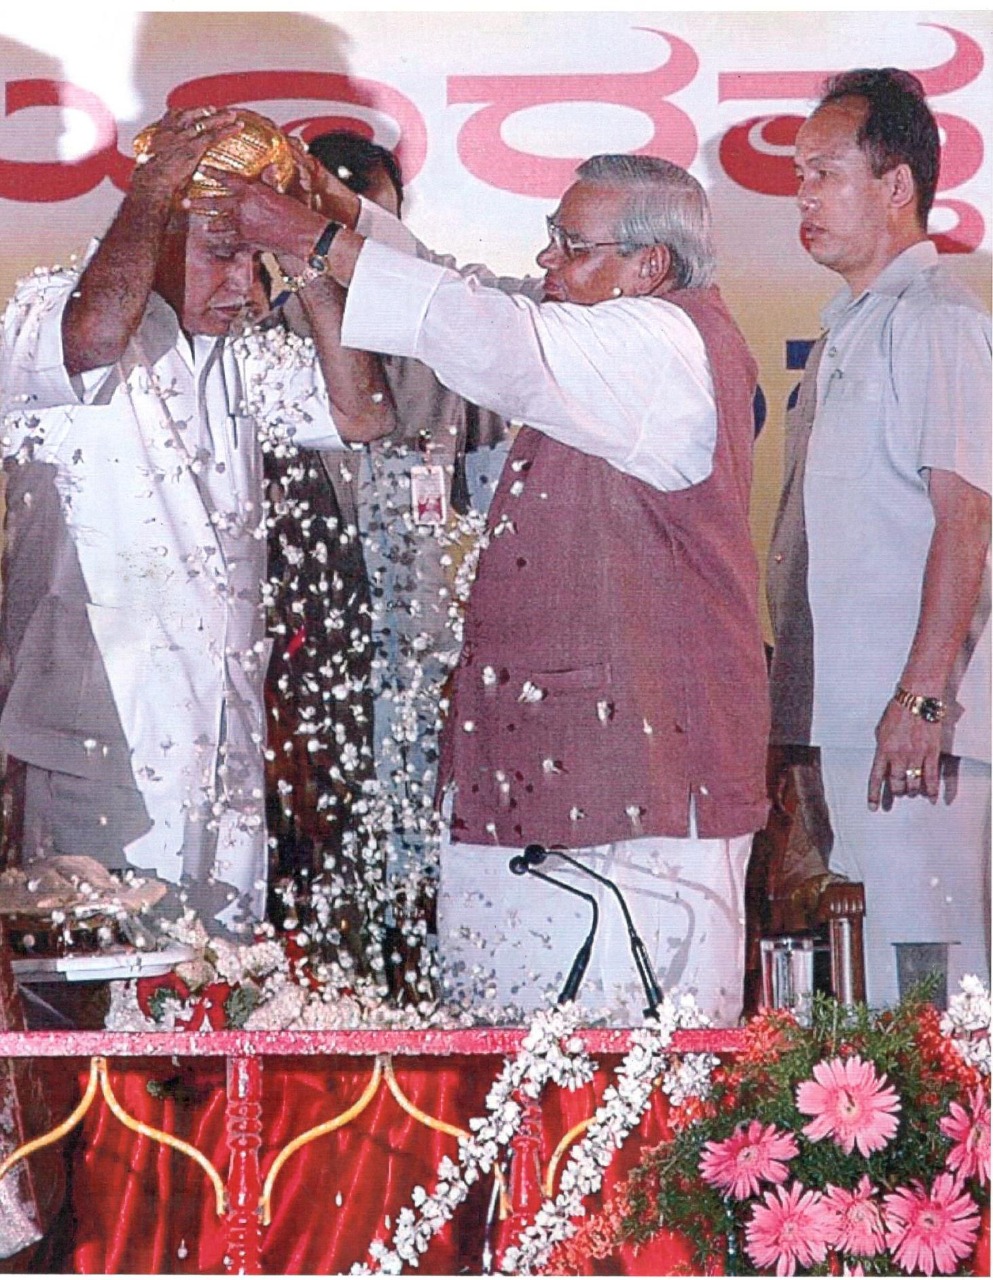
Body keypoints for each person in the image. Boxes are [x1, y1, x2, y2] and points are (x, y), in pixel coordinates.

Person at [213, 150, 770, 1024]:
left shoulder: (658, 344)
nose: (546, 261)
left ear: (648, 266)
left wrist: (300, 234)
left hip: (636, 814)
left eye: (570, 244)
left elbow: (482, 331)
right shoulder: (603, 335)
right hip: (558, 794)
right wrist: (343, 218)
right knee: (513, 1083)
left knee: (627, 1096)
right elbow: (468, 298)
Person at [0, 107, 393, 935]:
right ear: (159, 228)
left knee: (217, 1002)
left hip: (227, 752)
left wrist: (307, 264)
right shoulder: (55, 311)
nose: (244, 288)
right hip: (100, 763)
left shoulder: (248, 351)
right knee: (97, 1012)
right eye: (222, 254)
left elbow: (362, 415)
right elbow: (94, 331)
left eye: (258, 263)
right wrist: (153, 188)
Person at [768, 69, 991, 1008]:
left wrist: (924, 698)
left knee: (927, 984)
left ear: (896, 186)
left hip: (918, 728)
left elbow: (967, 515)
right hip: (858, 722)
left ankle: (960, 1160)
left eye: (824, 173)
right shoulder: (851, 327)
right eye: (797, 175)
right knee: (879, 990)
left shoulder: (937, 320)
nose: (802, 197)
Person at [264, 133, 508, 927]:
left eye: (363, 223)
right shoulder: (255, 348)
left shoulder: (452, 346)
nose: (342, 252)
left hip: (434, 678)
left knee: (434, 898)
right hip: (302, 688)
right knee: (312, 899)